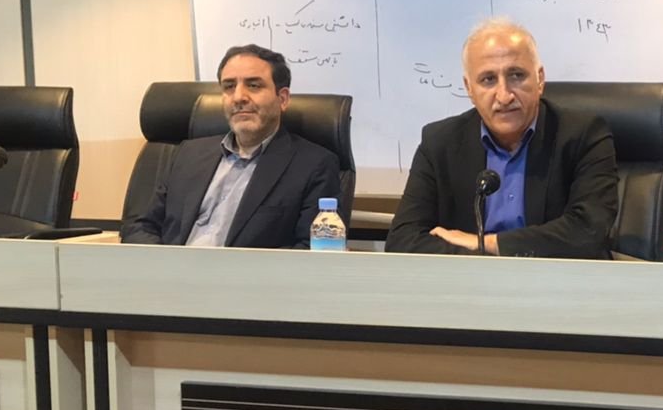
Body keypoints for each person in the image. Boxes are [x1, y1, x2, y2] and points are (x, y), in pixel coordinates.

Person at [388, 19, 619, 258]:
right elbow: (403, 239)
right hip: (470, 279)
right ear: (469, 88)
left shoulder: (583, 135)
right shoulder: (440, 143)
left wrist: (485, 244)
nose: (504, 95)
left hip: (556, 279)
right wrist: (481, 266)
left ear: (540, 79)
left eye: (516, 75)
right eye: (488, 79)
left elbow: (588, 231)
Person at [122, 44, 340, 248]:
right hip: (170, 272)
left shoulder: (313, 165)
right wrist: (163, 267)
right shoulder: (187, 153)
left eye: (253, 85)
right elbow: (141, 226)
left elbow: (309, 251)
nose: (238, 97)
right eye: (229, 86)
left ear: (282, 99)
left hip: (246, 276)